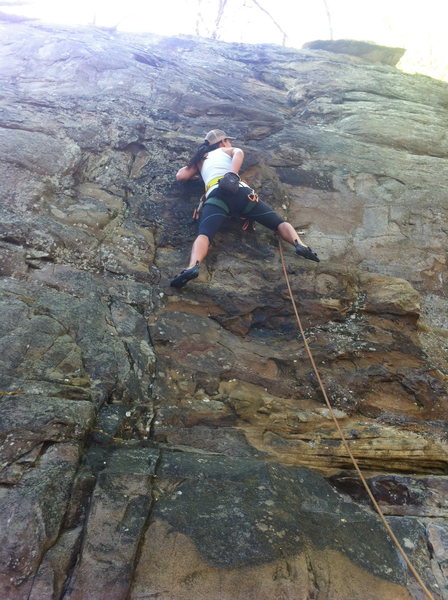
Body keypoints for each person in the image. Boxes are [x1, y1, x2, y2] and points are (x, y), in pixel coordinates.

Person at [170, 129, 319, 288]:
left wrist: (198, 173)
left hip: (216, 196)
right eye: (229, 140)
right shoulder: (226, 150)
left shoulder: (201, 159)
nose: (230, 143)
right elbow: (239, 153)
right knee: (278, 223)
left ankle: (193, 265)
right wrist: (232, 175)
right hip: (242, 193)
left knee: (204, 234)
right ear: (223, 142)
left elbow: (181, 176)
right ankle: (299, 244)